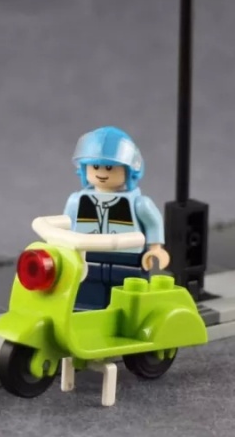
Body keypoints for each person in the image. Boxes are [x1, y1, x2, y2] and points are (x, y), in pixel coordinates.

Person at [63, 126, 170, 309]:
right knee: (86, 292)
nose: (102, 173)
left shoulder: (138, 203)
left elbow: (153, 223)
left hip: (127, 258)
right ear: (84, 168)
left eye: (110, 168)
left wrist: (155, 248)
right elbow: (65, 225)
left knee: (128, 296)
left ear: (129, 170)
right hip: (87, 257)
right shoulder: (76, 201)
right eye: (95, 167)